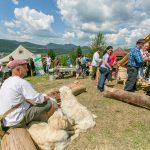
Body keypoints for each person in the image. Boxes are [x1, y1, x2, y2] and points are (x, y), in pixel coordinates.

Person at [0, 59, 58, 130]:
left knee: (31, 104)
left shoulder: (6, 81)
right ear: (18, 69)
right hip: (15, 121)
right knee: (49, 103)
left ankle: (40, 119)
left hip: (6, 120)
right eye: (25, 67)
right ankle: (48, 124)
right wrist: (47, 97)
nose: (27, 69)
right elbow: (38, 99)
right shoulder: (21, 82)